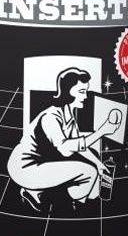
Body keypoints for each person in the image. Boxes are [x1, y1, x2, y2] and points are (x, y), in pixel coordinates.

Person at [7, 67, 121, 211]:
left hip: (43, 161)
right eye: (81, 91)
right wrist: (101, 132)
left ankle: (38, 192)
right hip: (25, 167)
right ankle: (65, 203)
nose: (85, 96)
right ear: (68, 92)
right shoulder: (50, 117)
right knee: (89, 173)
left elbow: (80, 147)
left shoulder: (69, 117)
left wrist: (98, 164)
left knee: (92, 171)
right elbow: (65, 149)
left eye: (86, 91)